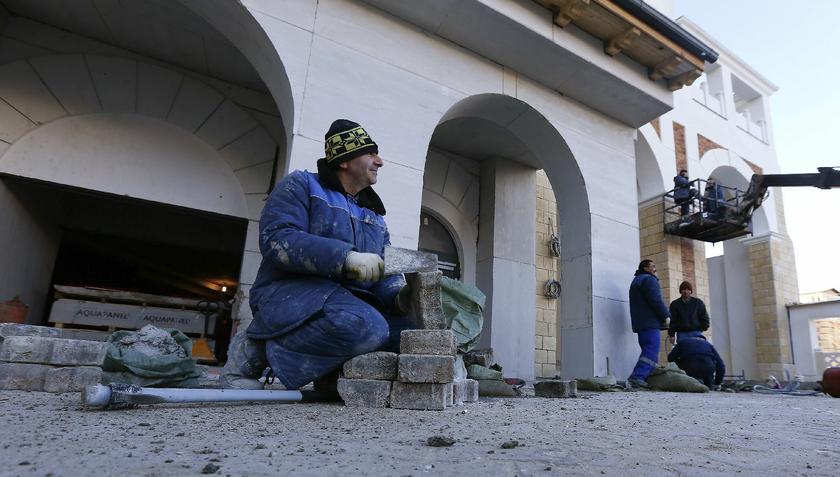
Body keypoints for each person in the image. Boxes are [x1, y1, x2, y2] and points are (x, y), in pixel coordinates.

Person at [221, 119, 413, 392]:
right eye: (371, 153)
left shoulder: (374, 216)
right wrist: (345, 258)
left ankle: (333, 377)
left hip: (348, 302)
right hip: (291, 293)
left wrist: (401, 295)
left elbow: (384, 271)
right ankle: (257, 348)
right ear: (344, 159)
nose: (379, 161)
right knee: (366, 327)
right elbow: (278, 240)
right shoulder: (302, 186)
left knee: (410, 334)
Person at [627, 259, 670, 389]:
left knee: (649, 351)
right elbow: (655, 300)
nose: (655, 269)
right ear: (646, 268)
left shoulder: (636, 281)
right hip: (650, 323)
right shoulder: (649, 280)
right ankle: (637, 377)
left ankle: (649, 378)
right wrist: (665, 315)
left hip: (640, 323)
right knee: (650, 351)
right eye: (653, 266)